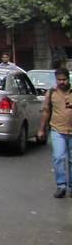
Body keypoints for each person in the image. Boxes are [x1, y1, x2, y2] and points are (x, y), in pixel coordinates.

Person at [38, 67, 72, 197]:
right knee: (58, 157)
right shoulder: (51, 93)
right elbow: (46, 111)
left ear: (68, 79)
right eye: (59, 80)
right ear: (56, 80)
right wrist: (41, 129)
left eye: (64, 79)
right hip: (57, 130)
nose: (62, 82)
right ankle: (61, 186)